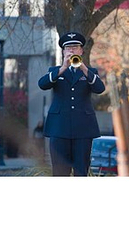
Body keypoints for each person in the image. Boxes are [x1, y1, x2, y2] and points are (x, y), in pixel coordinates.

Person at [38, 31, 105, 176]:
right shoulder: (55, 71)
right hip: (59, 129)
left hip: (83, 129)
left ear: (81, 50)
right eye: (68, 48)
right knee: (60, 172)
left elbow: (100, 88)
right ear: (63, 51)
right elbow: (42, 85)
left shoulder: (89, 72)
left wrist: (83, 68)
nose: (72, 50)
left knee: (81, 171)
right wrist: (62, 68)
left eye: (75, 47)